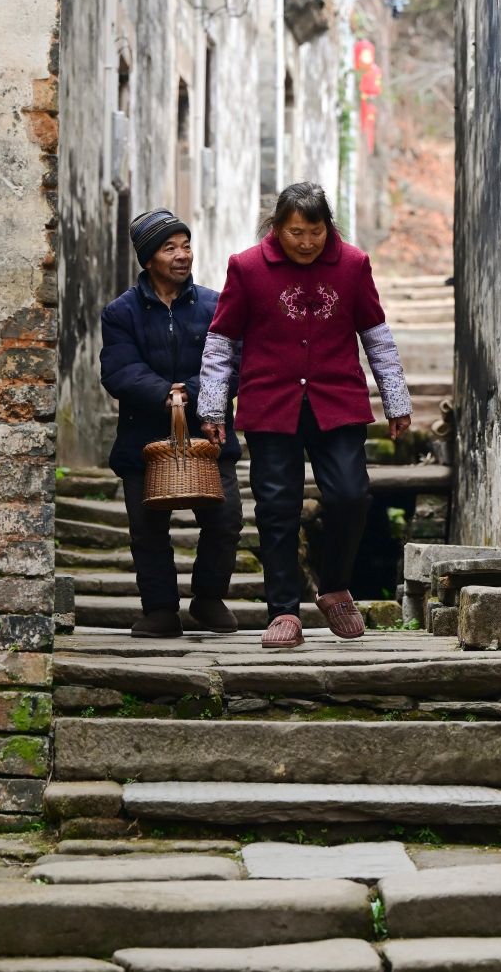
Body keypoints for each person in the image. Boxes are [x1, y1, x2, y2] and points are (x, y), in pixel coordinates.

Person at [198, 180, 411, 650]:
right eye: (296, 232)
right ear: (276, 227)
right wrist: (212, 406)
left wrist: (396, 400)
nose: (307, 242)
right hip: (269, 404)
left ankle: (334, 588)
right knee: (277, 508)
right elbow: (221, 342)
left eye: (316, 232)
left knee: (351, 495)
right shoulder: (247, 267)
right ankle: (283, 611)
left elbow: (376, 335)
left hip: (338, 401)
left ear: (327, 227)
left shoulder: (353, 265)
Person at [100, 209, 242, 638]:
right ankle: (160, 609)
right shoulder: (120, 312)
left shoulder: (216, 306)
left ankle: (208, 598)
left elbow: (233, 363)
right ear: (148, 260)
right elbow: (119, 370)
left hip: (208, 432)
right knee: (147, 530)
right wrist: (165, 393)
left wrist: (190, 394)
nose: (182, 255)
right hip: (143, 436)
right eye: (169, 248)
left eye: (186, 246)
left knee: (225, 520)